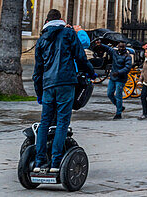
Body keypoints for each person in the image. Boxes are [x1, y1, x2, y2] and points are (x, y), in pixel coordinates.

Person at [31, 9, 96, 173]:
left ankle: (39, 162)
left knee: (45, 123)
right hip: (66, 82)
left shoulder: (41, 39)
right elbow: (80, 57)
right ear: (61, 19)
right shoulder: (68, 33)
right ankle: (56, 162)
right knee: (62, 123)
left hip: (47, 85)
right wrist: (90, 72)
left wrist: (39, 93)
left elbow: (37, 70)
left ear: (47, 21)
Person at [106, 40, 133, 119]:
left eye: (122, 47)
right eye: (119, 47)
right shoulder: (115, 53)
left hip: (121, 78)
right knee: (109, 93)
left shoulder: (127, 56)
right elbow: (108, 48)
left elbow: (127, 68)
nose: (120, 48)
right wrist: (101, 44)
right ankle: (119, 106)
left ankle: (118, 112)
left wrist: (118, 72)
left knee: (118, 95)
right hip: (113, 77)